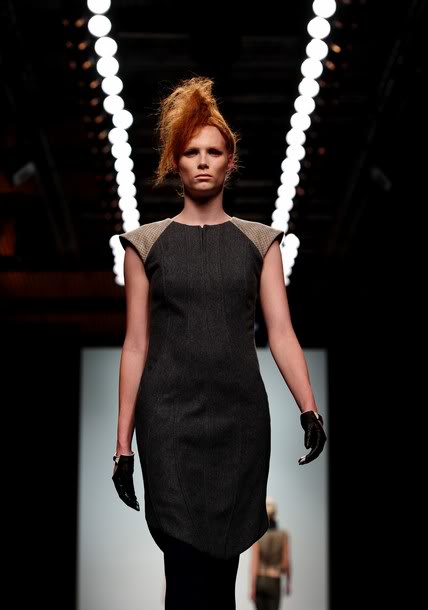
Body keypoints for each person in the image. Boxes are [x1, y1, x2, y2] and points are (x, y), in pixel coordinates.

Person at [112, 75, 326, 610]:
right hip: (168, 420)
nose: (203, 161)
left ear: (231, 162)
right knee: (184, 562)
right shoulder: (144, 245)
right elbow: (135, 344)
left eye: (213, 151)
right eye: (191, 152)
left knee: (224, 567)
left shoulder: (261, 243)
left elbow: (282, 331)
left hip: (238, 420)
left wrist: (309, 408)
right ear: (175, 162)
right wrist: (123, 446)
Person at [250, 497, 291, 610]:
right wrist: (288, 582)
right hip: (274, 580)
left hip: (260, 580)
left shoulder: (258, 536)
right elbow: (286, 563)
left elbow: (254, 563)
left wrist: (252, 588)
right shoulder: (283, 535)